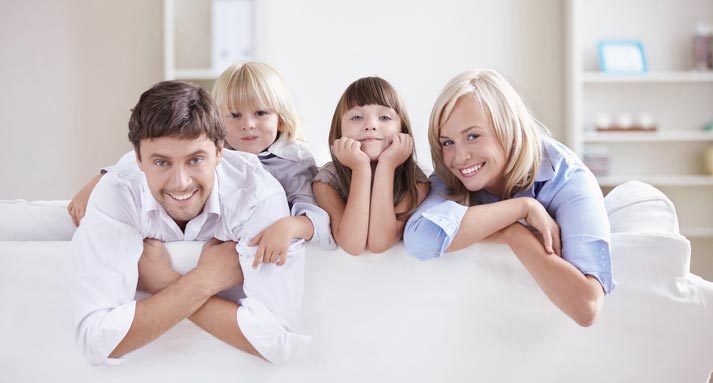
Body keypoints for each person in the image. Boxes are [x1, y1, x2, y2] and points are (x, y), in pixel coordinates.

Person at [71, 81, 308, 366]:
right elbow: (96, 342)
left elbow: (276, 340)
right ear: (138, 159)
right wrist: (205, 280)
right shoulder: (117, 192)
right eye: (161, 163)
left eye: (195, 160)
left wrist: (164, 282)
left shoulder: (256, 195)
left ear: (220, 152)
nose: (180, 182)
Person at [68, 61, 334, 268]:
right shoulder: (216, 149)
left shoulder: (294, 161)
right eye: (234, 115)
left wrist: (289, 226)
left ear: (282, 118)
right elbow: (150, 158)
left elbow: (319, 222)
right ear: (218, 122)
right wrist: (100, 179)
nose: (247, 124)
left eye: (261, 113)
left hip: (254, 247)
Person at [404, 69, 614, 327]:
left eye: (473, 136)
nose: (459, 158)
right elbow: (419, 240)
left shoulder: (567, 178)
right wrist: (518, 219)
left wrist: (509, 232)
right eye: (448, 142)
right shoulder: (450, 177)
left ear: (509, 130)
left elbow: (587, 307)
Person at [313, 77, 429, 255]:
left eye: (384, 117)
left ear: (403, 130)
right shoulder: (326, 182)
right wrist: (360, 169)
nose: (371, 126)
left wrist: (387, 166)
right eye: (357, 117)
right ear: (338, 131)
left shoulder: (416, 182)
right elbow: (353, 245)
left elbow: (379, 243)